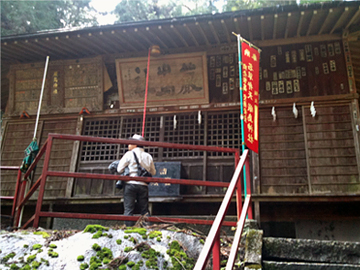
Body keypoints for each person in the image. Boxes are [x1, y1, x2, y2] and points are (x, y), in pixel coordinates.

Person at [117, 134, 156, 226]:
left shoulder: (129, 154)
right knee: (144, 209)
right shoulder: (148, 156)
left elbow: (119, 169)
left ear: (136, 144)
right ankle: (148, 227)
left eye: (130, 143)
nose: (128, 145)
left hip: (130, 184)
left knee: (128, 209)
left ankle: (128, 228)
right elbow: (153, 172)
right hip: (143, 185)